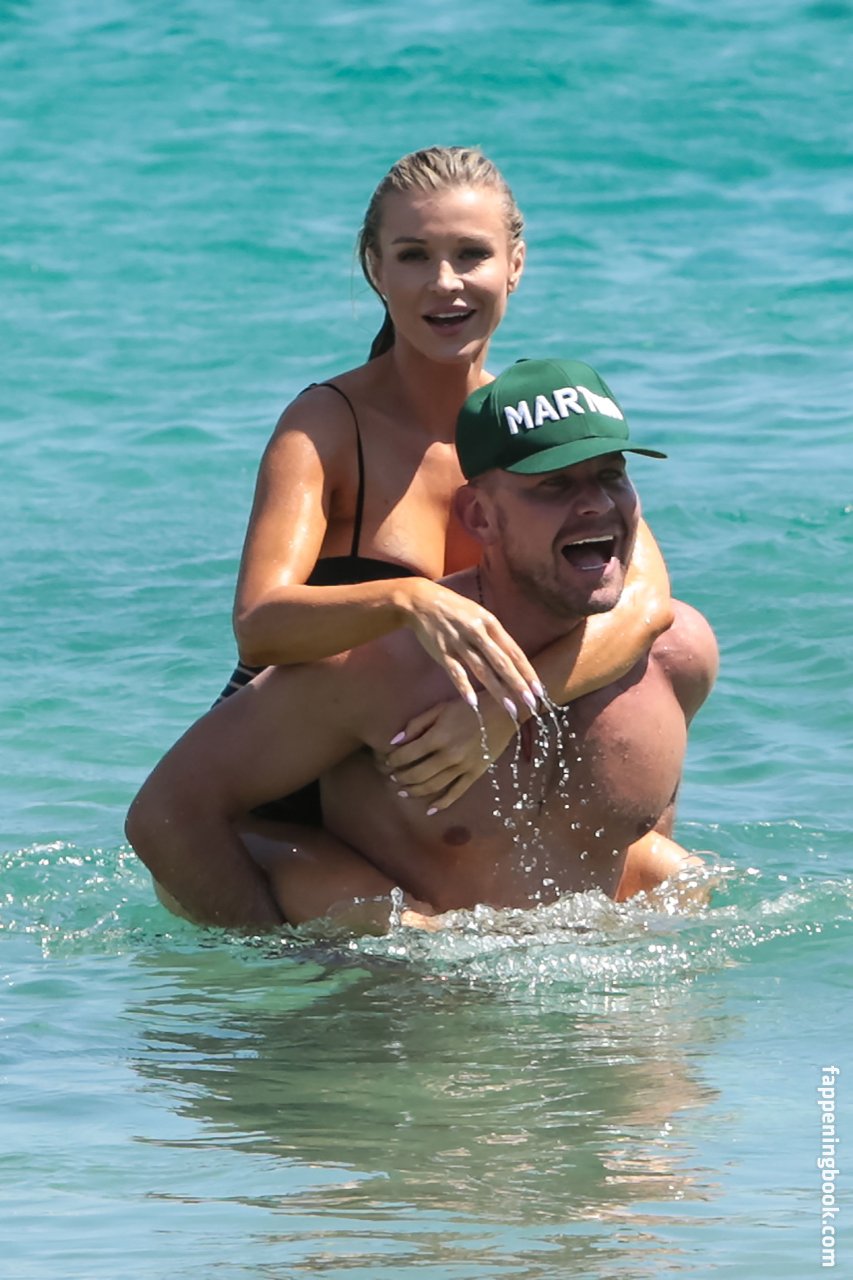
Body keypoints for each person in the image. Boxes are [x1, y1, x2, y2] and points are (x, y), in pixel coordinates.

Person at [126, 358, 718, 932]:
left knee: (683, 878)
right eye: (554, 485)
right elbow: (165, 817)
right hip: (403, 977)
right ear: (479, 517)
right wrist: (280, 968)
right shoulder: (380, 667)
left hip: (564, 982)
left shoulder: (678, 659)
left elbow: (630, 853)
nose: (596, 505)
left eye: (611, 476)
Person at [214, 146, 672, 817]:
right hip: (293, 782)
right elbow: (259, 628)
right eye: (413, 256)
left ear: (515, 264)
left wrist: (507, 710)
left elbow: (646, 602)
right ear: (376, 268)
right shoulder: (327, 425)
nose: (445, 282)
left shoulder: (532, 421)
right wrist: (408, 600)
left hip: (431, 775)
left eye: (471, 254)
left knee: (667, 664)